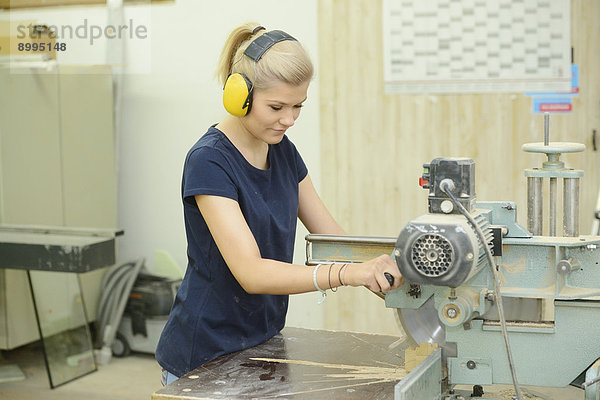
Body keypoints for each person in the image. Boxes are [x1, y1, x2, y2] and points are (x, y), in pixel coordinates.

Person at [155, 22, 402, 385]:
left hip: (260, 343)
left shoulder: (283, 151)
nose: (289, 119)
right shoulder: (209, 161)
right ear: (239, 96)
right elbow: (252, 273)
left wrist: (393, 267)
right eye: (276, 106)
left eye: (298, 106)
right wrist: (350, 274)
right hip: (203, 356)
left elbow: (332, 239)